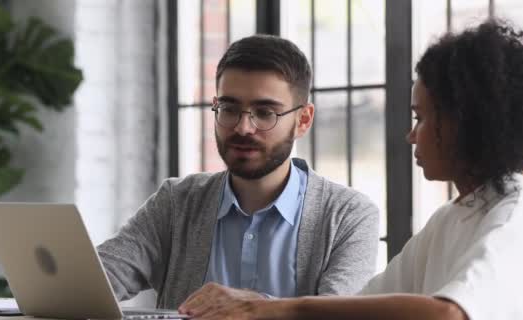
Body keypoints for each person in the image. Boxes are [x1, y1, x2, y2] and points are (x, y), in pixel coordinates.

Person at [178, 20, 523, 320]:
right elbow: (360, 308)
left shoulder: (521, 216)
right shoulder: (453, 219)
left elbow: (449, 313)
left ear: (464, 122)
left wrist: (275, 309)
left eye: (420, 118)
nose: (411, 136)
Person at [97, 34, 380, 308]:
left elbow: (340, 315)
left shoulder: (348, 215)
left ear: (303, 120)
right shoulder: (176, 202)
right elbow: (96, 282)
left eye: (265, 112)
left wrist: (260, 308)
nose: (243, 127)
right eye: (229, 109)